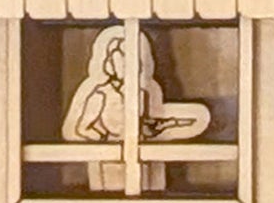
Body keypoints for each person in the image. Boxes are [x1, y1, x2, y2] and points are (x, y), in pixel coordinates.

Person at [60, 24, 211, 192]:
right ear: (109, 62)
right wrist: (103, 137)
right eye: (120, 58)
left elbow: (147, 123)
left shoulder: (146, 91)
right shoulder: (101, 94)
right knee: (112, 195)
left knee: (148, 189)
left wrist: (156, 127)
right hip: (110, 161)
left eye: (131, 59)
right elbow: (78, 129)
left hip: (144, 159)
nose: (125, 65)